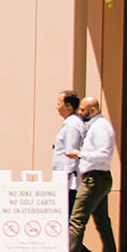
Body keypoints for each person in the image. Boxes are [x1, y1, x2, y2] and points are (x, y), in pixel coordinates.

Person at [66, 97, 120, 252]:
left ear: (94, 109)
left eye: (83, 109)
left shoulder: (100, 127)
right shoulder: (97, 126)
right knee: (103, 223)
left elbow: (104, 154)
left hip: (95, 179)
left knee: (76, 220)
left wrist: (80, 154)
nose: (80, 113)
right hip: (97, 178)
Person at [51, 90, 85, 219]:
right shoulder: (70, 123)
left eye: (59, 104)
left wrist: (66, 178)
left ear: (69, 106)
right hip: (65, 179)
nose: (57, 107)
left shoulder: (72, 125)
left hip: (68, 182)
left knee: (67, 218)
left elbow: (72, 153)